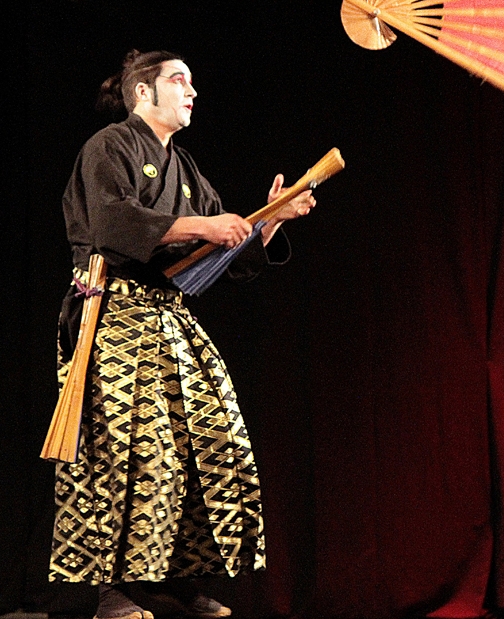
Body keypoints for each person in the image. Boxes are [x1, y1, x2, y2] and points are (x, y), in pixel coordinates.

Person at [49, 50, 315, 619]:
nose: (191, 90)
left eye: (192, 81)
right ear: (142, 93)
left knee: (210, 449)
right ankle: (111, 591)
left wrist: (270, 221)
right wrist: (205, 225)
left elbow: (222, 252)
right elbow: (113, 222)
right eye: (178, 80)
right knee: (126, 457)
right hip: (113, 318)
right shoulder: (109, 147)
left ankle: (175, 579)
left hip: (170, 321)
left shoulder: (186, 170)